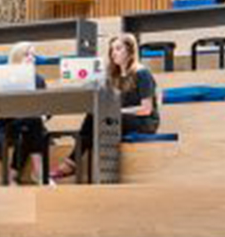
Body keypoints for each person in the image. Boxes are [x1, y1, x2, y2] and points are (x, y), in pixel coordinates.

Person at [57, 35, 160, 182]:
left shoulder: (142, 73)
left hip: (144, 121)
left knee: (102, 118)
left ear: (130, 51)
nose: (114, 53)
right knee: (93, 116)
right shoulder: (114, 76)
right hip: (122, 118)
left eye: (118, 49)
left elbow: (146, 109)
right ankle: (74, 163)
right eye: (112, 50)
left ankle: (71, 162)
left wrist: (116, 113)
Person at [0, 42, 52, 185]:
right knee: (31, 124)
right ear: (17, 57)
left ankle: (15, 176)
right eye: (27, 54)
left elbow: (47, 109)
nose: (32, 58)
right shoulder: (4, 77)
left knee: (32, 122)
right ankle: (37, 173)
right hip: (8, 124)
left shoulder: (39, 80)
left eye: (33, 55)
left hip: (31, 125)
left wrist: (42, 115)